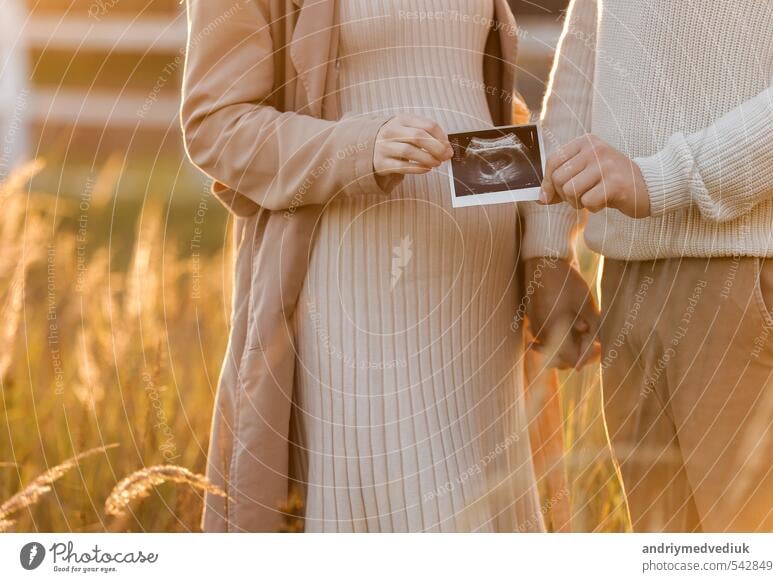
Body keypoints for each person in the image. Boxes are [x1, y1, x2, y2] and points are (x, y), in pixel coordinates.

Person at [182, 0, 598, 532]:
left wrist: (547, 252)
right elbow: (214, 125)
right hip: (361, 281)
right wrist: (362, 146)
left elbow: (469, 101)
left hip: (483, 293)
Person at [530, 0, 773, 531]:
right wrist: (547, 245)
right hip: (630, 283)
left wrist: (663, 179)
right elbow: (587, 45)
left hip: (750, 279)